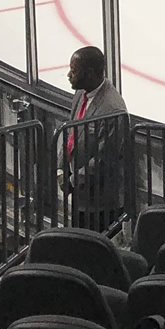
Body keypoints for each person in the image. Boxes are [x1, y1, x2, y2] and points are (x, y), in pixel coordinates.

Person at [64, 47, 128, 231]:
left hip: (101, 204)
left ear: (90, 73)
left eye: (74, 71)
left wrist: (72, 181)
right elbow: (71, 132)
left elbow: (105, 159)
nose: (69, 75)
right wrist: (62, 168)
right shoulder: (81, 94)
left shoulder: (112, 109)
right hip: (81, 195)